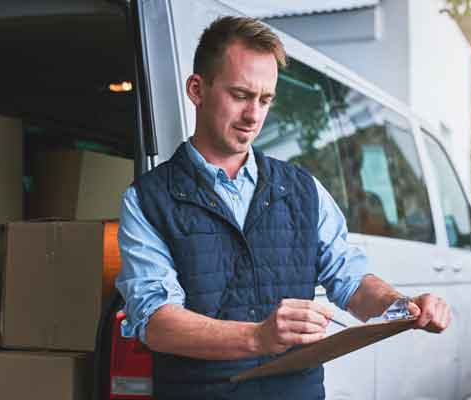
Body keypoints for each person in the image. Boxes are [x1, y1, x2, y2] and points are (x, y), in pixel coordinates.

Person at [116, 15, 451, 400]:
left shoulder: (303, 189)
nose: (253, 115)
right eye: (240, 95)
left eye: (265, 100)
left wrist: (402, 306)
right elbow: (156, 321)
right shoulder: (147, 199)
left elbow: (352, 281)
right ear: (197, 89)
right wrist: (259, 336)